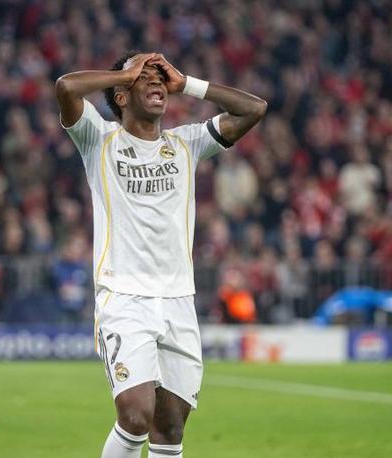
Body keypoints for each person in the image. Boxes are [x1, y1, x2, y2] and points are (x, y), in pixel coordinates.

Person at [56, 51, 266, 458]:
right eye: (143, 77)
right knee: (135, 416)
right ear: (121, 96)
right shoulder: (98, 139)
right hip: (124, 298)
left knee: (170, 428)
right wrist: (124, 74)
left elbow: (254, 109)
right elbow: (66, 87)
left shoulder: (186, 144)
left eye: (159, 75)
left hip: (178, 300)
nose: (155, 80)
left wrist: (187, 83)